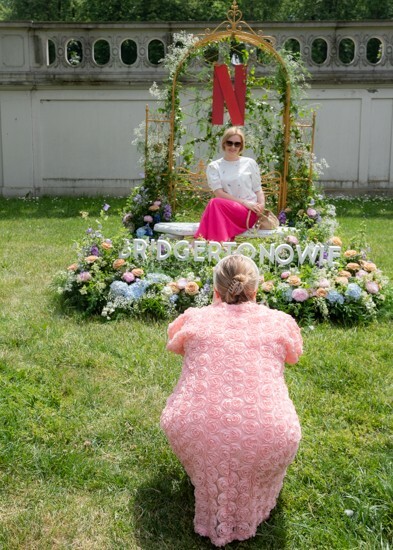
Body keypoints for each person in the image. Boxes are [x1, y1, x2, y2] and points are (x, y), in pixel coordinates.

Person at [160, 254, 303, 547]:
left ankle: (209, 478)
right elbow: (294, 355)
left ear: (215, 289)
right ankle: (251, 491)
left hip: (196, 429)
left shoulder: (194, 318)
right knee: (254, 446)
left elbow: (174, 343)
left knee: (210, 436)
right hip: (270, 432)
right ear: (256, 289)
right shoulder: (279, 321)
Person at [194, 127, 265, 242]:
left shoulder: (249, 163)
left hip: (248, 214)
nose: (233, 147)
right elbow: (219, 193)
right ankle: (220, 246)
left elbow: (258, 190)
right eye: (229, 143)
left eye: (237, 144)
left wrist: (261, 205)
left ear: (241, 146)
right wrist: (244, 203)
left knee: (214, 204)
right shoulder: (214, 167)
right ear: (224, 144)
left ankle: (207, 245)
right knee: (215, 203)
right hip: (227, 210)